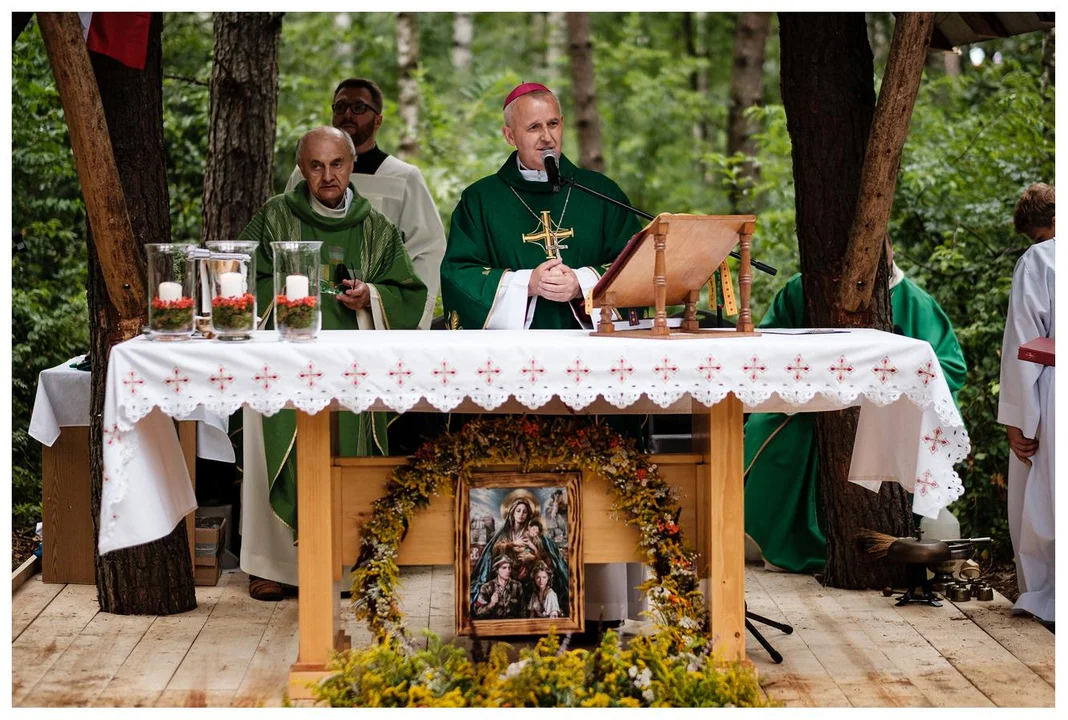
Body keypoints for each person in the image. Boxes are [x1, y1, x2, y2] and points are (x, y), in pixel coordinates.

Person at [443, 82, 645, 631]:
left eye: (553, 124)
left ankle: (603, 611)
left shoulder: (599, 191)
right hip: (513, 377)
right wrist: (523, 284)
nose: (547, 136)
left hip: (595, 376)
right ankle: (507, 613)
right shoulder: (481, 199)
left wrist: (582, 282)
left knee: (600, 476)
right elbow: (458, 275)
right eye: (533, 128)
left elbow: (639, 266)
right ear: (509, 135)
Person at [239, 126, 427, 600]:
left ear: (352, 164)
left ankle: (349, 563)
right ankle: (274, 566)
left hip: (352, 364)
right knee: (273, 438)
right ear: (301, 168)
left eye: (337, 164)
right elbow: (240, 276)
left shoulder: (375, 227)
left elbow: (408, 290)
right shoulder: (274, 218)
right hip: (282, 361)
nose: (328, 175)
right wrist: (278, 299)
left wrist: (372, 296)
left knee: (351, 451)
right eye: (316, 165)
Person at [744, 236, 967, 573]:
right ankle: (770, 536)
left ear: (889, 254)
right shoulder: (802, 289)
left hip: (884, 415)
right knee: (767, 429)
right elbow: (769, 342)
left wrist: (890, 394)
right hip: (808, 408)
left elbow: (948, 367)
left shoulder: (915, 303)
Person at [286, 78, 445, 331]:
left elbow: (428, 249)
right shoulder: (303, 173)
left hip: (371, 321)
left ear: (378, 120)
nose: (347, 114)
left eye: (359, 108)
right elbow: (288, 234)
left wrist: (381, 298)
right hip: (312, 312)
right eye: (340, 107)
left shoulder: (403, 178)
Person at [998, 182, 1055, 624]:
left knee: (1045, 502)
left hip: (1054, 389)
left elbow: (1025, 342)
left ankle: (1047, 597)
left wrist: (1020, 421)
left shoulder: (1039, 260)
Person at [470, 491, 569, 616]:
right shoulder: (504, 533)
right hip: (509, 574)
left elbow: (545, 556)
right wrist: (512, 544)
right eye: (518, 510)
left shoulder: (533, 533)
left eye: (524, 511)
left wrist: (534, 555)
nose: (521, 514)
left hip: (529, 575)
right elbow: (494, 551)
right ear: (512, 512)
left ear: (528, 514)